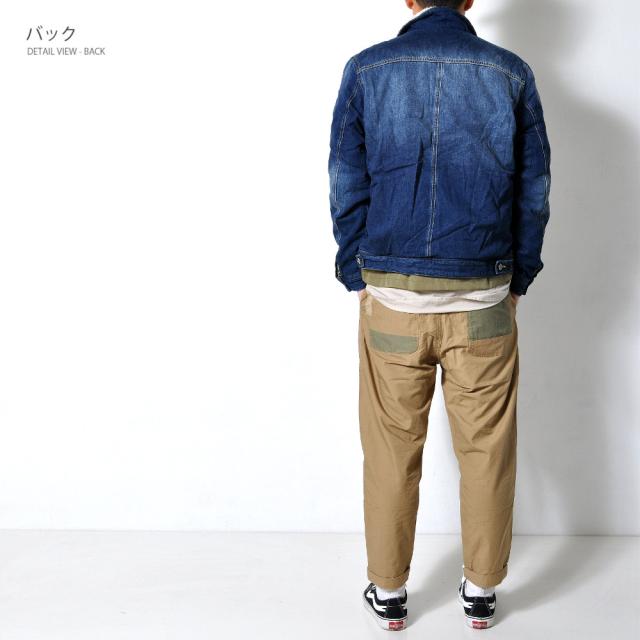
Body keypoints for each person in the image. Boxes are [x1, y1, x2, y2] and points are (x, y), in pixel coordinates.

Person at [328, 0, 551, 631]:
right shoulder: (510, 72)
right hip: (483, 301)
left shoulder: (368, 68)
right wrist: (518, 277)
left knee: (391, 449)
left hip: (393, 304)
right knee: (487, 451)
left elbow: (346, 182)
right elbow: (534, 193)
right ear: (470, 0)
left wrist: (357, 273)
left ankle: (389, 592)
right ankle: (481, 591)